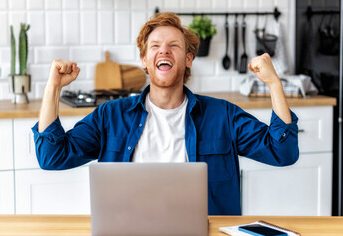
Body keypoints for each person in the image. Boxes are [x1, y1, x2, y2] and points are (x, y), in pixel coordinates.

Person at [32, 12, 299, 215]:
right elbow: (52, 156)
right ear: (145, 60)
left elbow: (282, 152)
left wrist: (275, 83)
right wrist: (52, 88)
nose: (164, 50)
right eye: (155, 46)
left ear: (188, 59)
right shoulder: (110, 116)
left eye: (174, 45)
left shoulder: (223, 116)